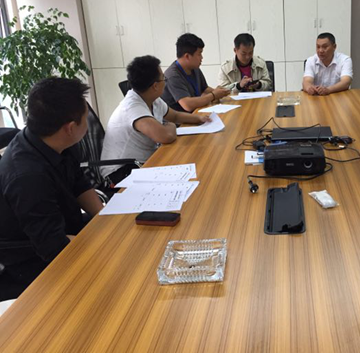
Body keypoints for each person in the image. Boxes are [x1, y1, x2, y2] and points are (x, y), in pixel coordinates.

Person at [0, 78, 103, 300]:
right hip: (32, 260)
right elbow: (52, 246)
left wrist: (106, 218)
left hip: (65, 229)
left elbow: (79, 183)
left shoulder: (56, 142)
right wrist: (105, 244)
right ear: (71, 128)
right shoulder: (28, 177)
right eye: (86, 118)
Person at [101, 55, 210, 183]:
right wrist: (170, 125)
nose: (165, 81)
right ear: (155, 86)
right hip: (121, 171)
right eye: (163, 78)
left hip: (144, 161)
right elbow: (166, 136)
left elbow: (175, 116)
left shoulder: (152, 98)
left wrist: (199, 118)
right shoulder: (132, 107)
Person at [162, 33, 230, 112]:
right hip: (181, 118)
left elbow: (204, 88)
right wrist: (213, 95)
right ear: (187, 56)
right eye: (199, 54)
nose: (202, 57)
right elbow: (187, 105)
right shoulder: (173, 76)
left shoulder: (194, 67)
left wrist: (219, 92)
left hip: (195, 112)